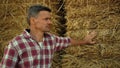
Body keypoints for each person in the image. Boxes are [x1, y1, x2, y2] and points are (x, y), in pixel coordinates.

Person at [0, 5, 96, 68]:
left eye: (50, 19)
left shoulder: (51, 40)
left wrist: (85, 41)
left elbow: (68, 41)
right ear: (33, 21)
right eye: (46, 19)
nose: (50, 22)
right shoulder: (16, 44)